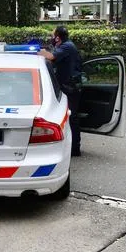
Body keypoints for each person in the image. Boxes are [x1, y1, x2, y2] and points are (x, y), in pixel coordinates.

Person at [39, 25, 84, 157]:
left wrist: (38, 50)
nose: (52, 37)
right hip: (67, 86)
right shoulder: (64, 45)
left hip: (70, 87)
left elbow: (51, 56)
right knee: (68, 117)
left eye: (53, 35)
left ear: (58, 37)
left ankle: (75, 149)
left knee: (72, 117)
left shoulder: (67, 46)